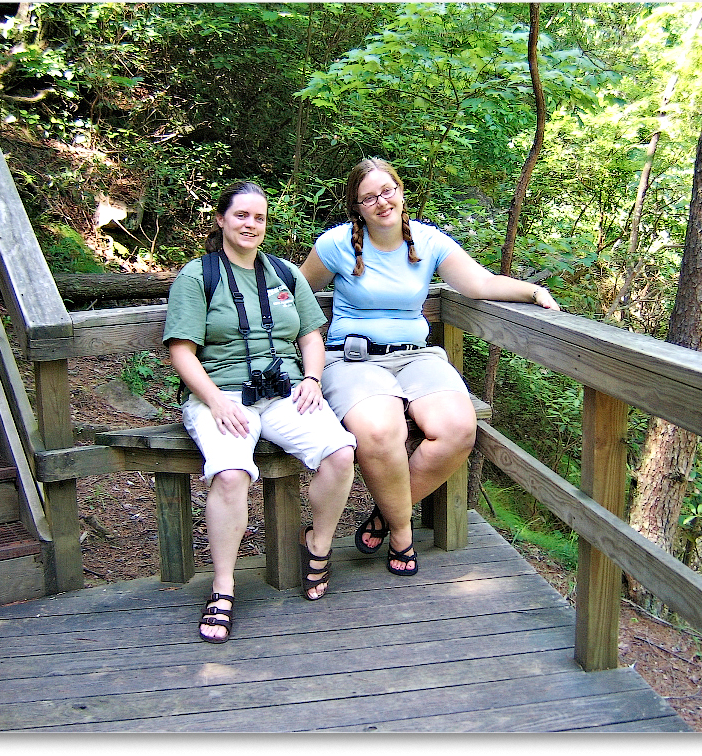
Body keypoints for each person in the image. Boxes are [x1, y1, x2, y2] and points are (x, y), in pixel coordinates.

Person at [300, 158, 560, 577]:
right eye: (369, 198)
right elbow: (297, 290)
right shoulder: (337, 244)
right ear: (357, 207)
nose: (381, 202)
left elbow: (480, 283)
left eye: (387, 191)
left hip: (416, 355)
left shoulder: (428, 240)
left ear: (401, 190)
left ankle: (384, 517)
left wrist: (531, 290)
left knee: (459, 429)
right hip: (353, 358)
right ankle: (401, 534)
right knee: (382, 431)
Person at [164, 181, 357, 643]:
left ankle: (318, 546)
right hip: (224, 395)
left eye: (259, 218)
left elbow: (311, 335)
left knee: (340, 453)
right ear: (221, 220)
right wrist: (215, 399)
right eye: (241, 216)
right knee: (230, 475)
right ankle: (224, 589)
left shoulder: (284, 273)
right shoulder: (197, 276)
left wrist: (311, 378)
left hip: (286, 391)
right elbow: (182, 350)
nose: (251, 224)